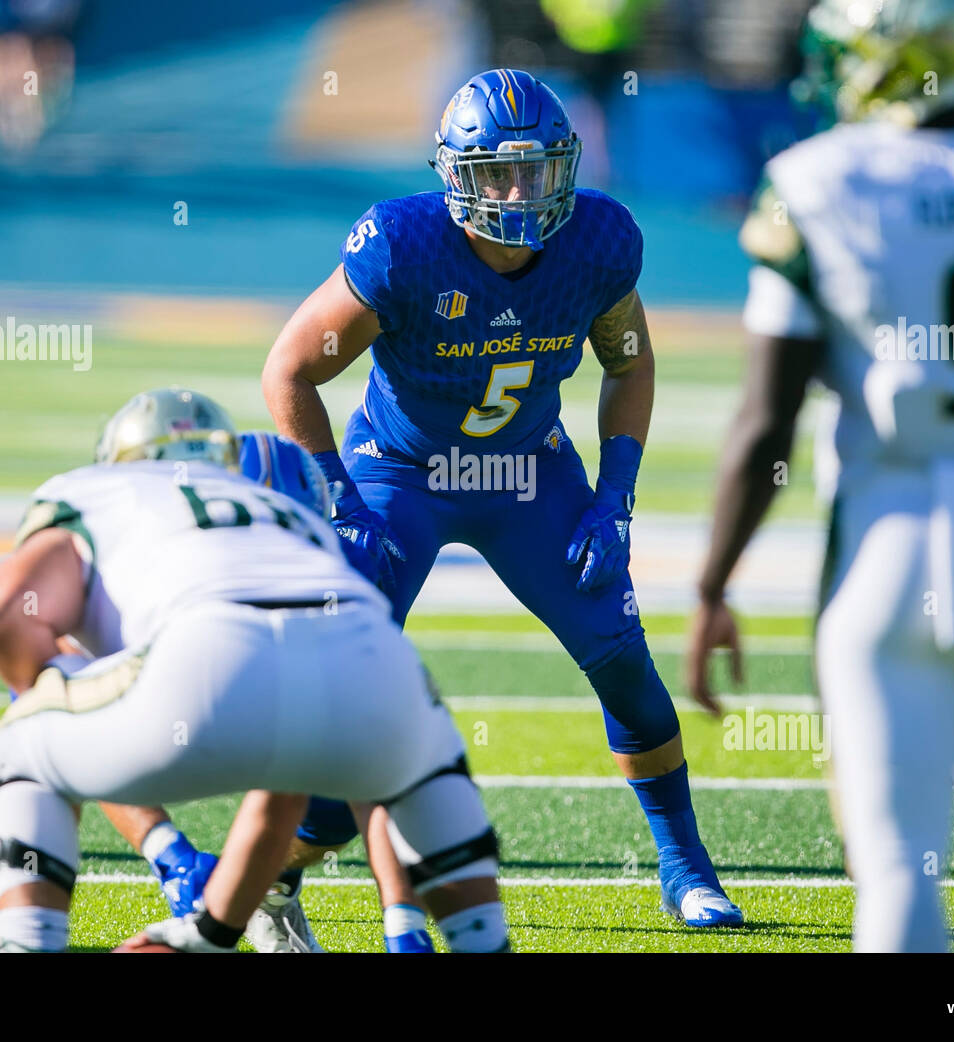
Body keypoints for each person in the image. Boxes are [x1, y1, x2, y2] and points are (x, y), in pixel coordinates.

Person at [259, 67, 744, 947]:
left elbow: (630, 363)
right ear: (456, 177)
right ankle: (280, 875)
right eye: (498, 173)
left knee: (621, 656)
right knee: (355, 681)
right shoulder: (404, 246)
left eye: (540, 169)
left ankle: (685, 867)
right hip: (401, 472)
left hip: (529, 471)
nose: (521, 192)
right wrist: (338, 498)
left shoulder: (597, 244)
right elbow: (290, 369)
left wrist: (617, 500)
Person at [687, 0, 954, 952]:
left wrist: (715, 582)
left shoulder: (820, 180)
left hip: (890, 550)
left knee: (897, 869)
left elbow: (767, 425)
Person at [0, 388, 508, 953]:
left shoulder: (96, 491)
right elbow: (289, 772)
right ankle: (466, 939)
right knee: (424, 771)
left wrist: (53, 681)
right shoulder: (289, 511)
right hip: (387, 671)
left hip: (205, 655)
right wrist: (212, 933)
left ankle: (25, 941)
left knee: (17, 748)